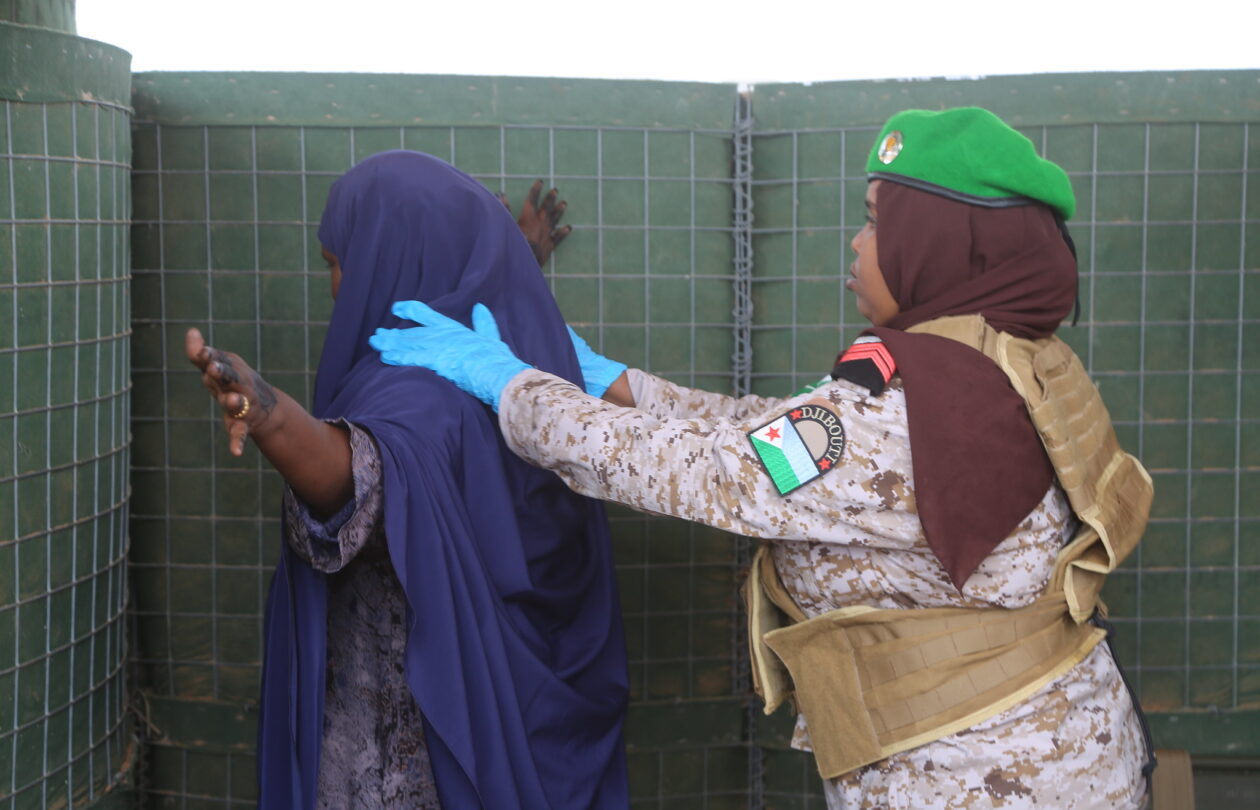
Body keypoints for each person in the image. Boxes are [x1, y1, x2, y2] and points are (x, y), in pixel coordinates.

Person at [369, 108, 1156, 809]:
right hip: (1040, 745)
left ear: (937, 242)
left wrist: (511, 385)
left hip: (979, 776)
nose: (858, 242)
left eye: (877, 222)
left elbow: (711, 475)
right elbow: (776, 438)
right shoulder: (993, 362)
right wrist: (617, 384)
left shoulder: (910, 412)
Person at [185, 151, 629, 809]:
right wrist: (511, 257)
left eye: (339, 263)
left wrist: (274, 419)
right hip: (534, 710)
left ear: (391, 260)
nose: (337, 286)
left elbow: (367, 476)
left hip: (420, 747)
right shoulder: (518, 355)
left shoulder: (415, 386)